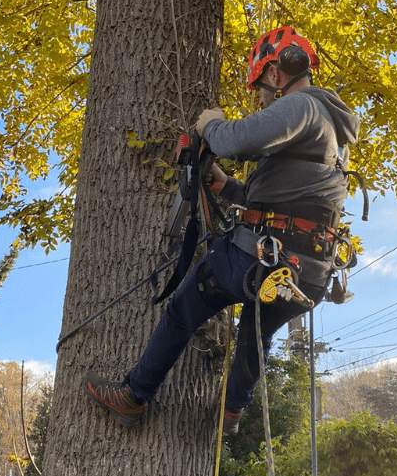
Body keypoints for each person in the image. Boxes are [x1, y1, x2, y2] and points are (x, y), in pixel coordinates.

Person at [84, 26, 360, 433]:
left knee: (182, 310)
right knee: (256, 329)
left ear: (277, 70)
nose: (261, 98)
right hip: (308, 270)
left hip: (261, 259)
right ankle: (232, 411)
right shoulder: (332, 132)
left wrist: (211, 124)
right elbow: (283, 202)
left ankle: (133, 396)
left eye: (261, 86)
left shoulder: (301, 106)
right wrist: (227, 186)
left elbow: (238, 140)